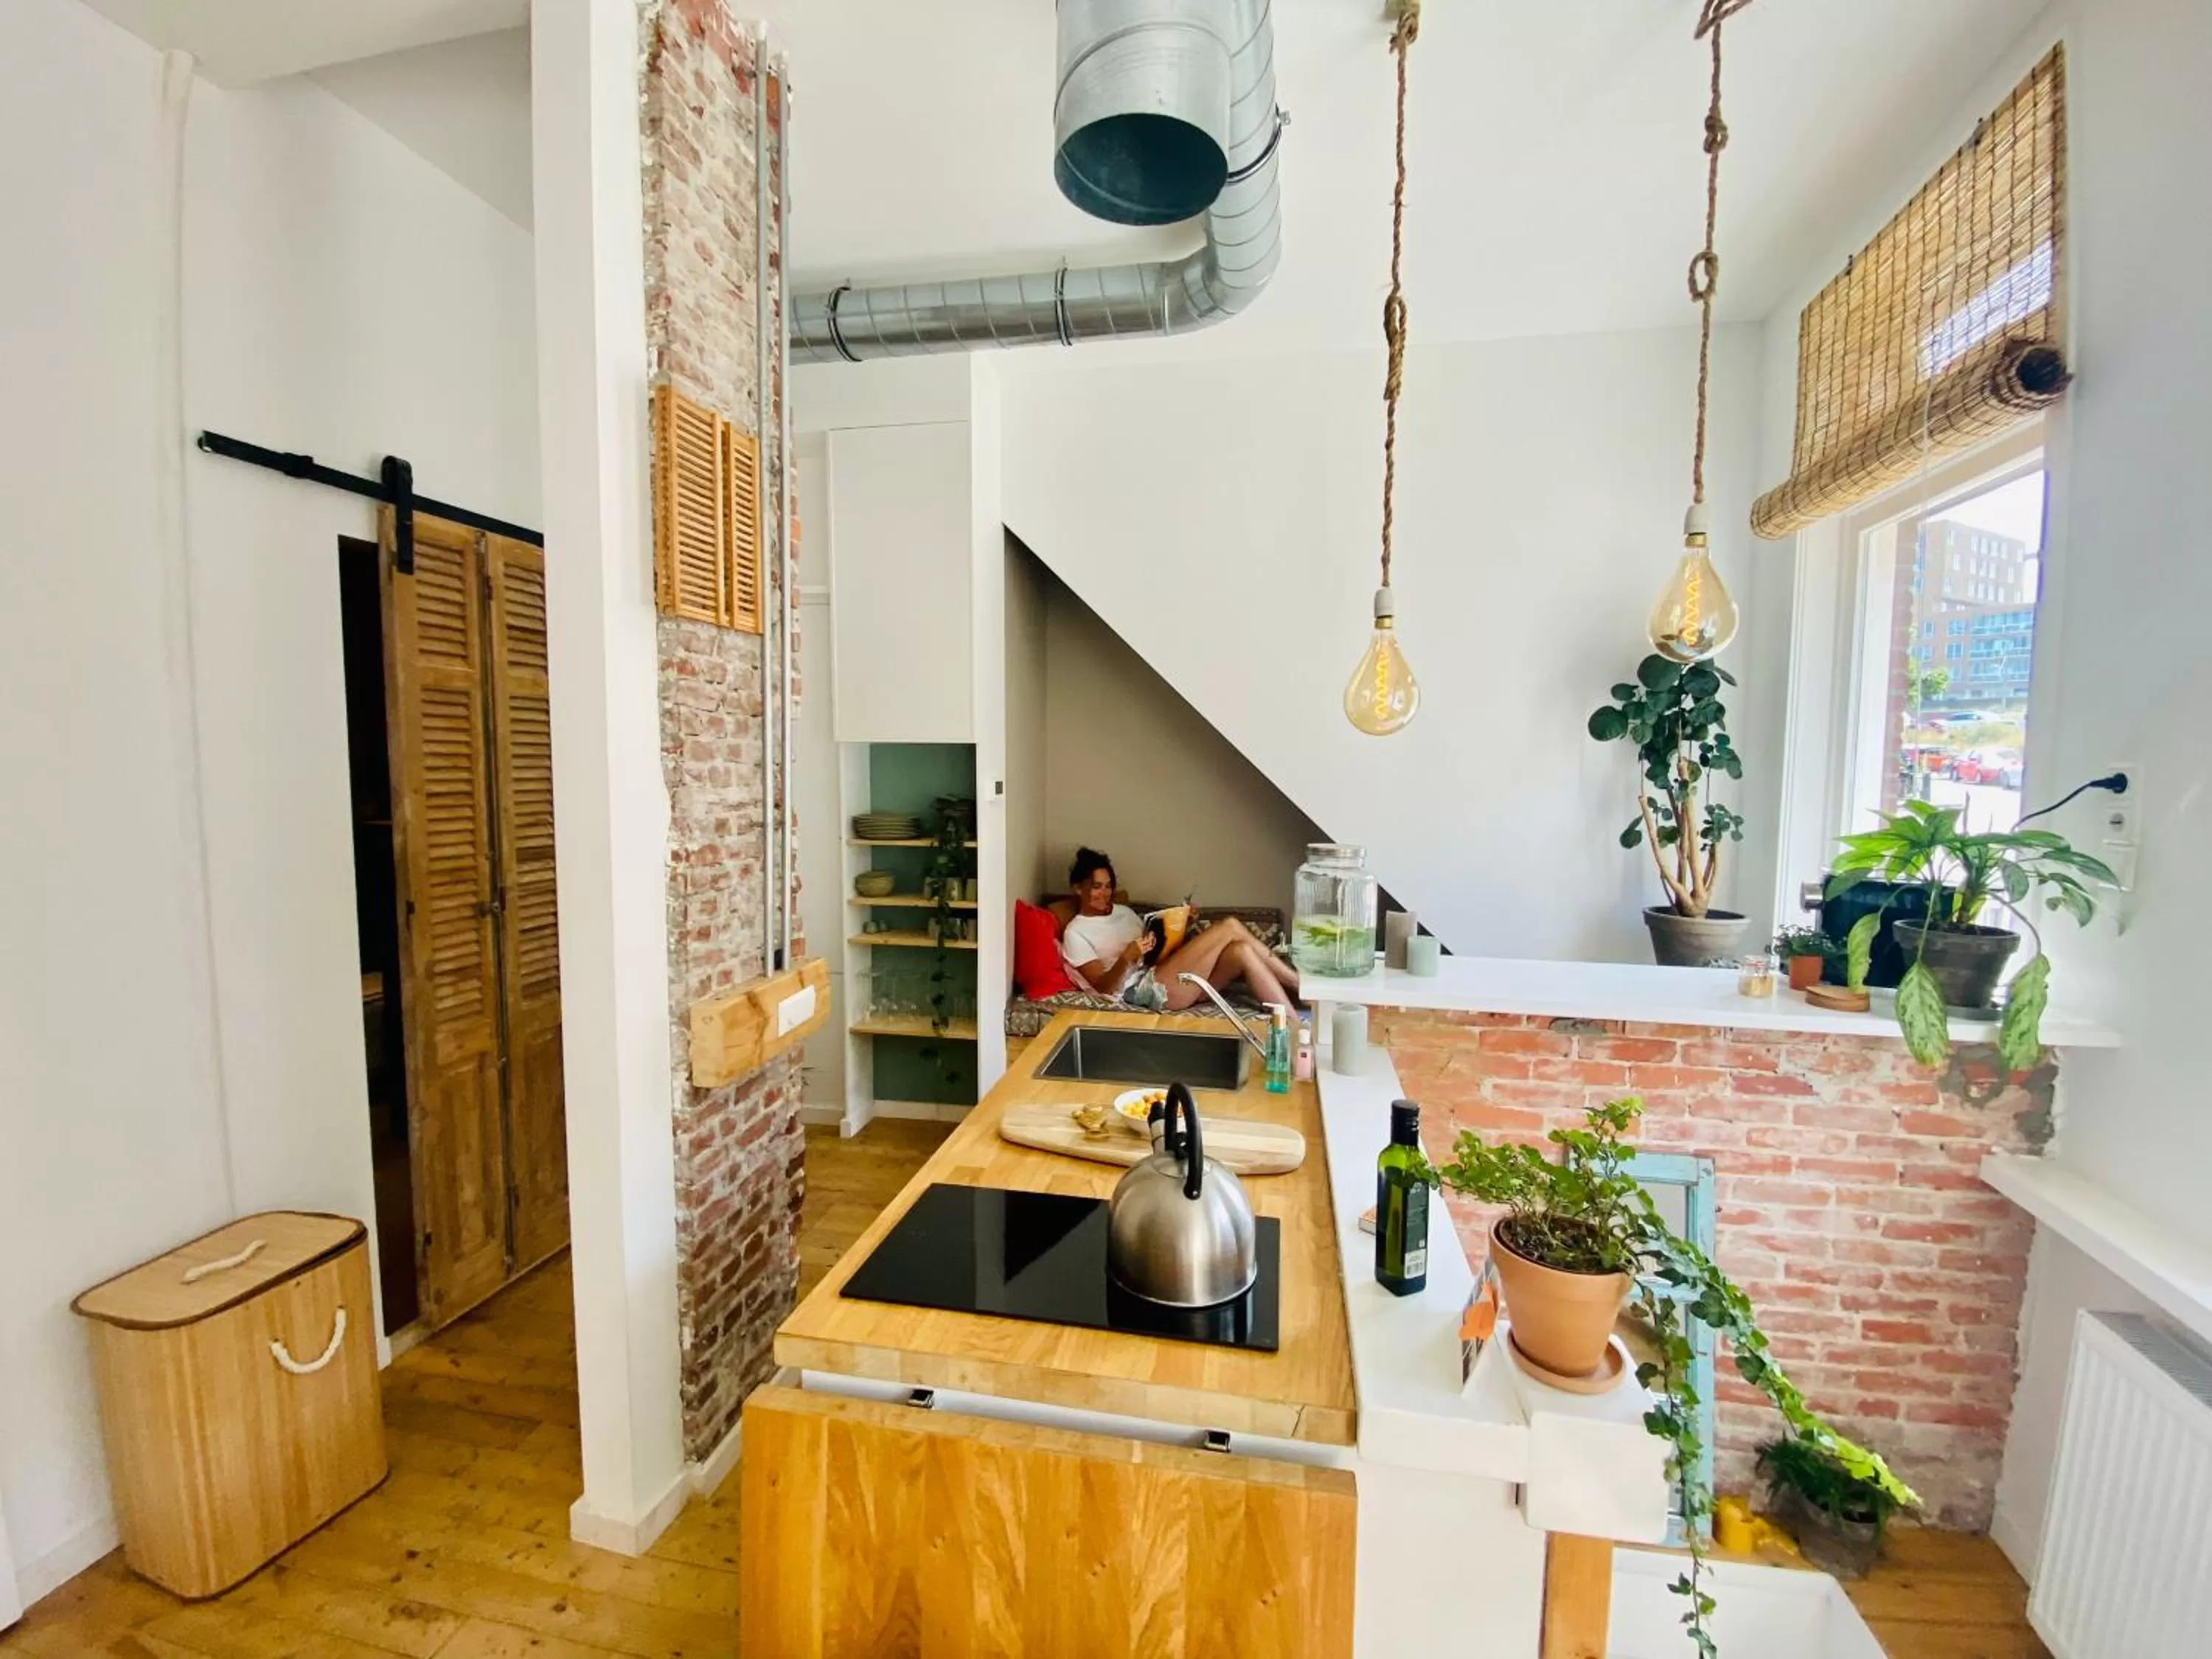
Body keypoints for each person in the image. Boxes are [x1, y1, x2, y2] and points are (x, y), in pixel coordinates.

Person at [1059, 847, 1301, 1012]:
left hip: (1166, 975)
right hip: (1144, 990)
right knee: (1229, 926)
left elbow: (1158, 951)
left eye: (1109, 886)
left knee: (1240, 951)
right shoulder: (1076, 932)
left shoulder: (1123, 912)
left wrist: (1182, 925)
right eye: (1097, 887)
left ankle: (1294, 1026)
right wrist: (1126, 958)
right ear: (1078, 889)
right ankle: (1300, 986)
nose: (1105, 894)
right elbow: (1103, 988)